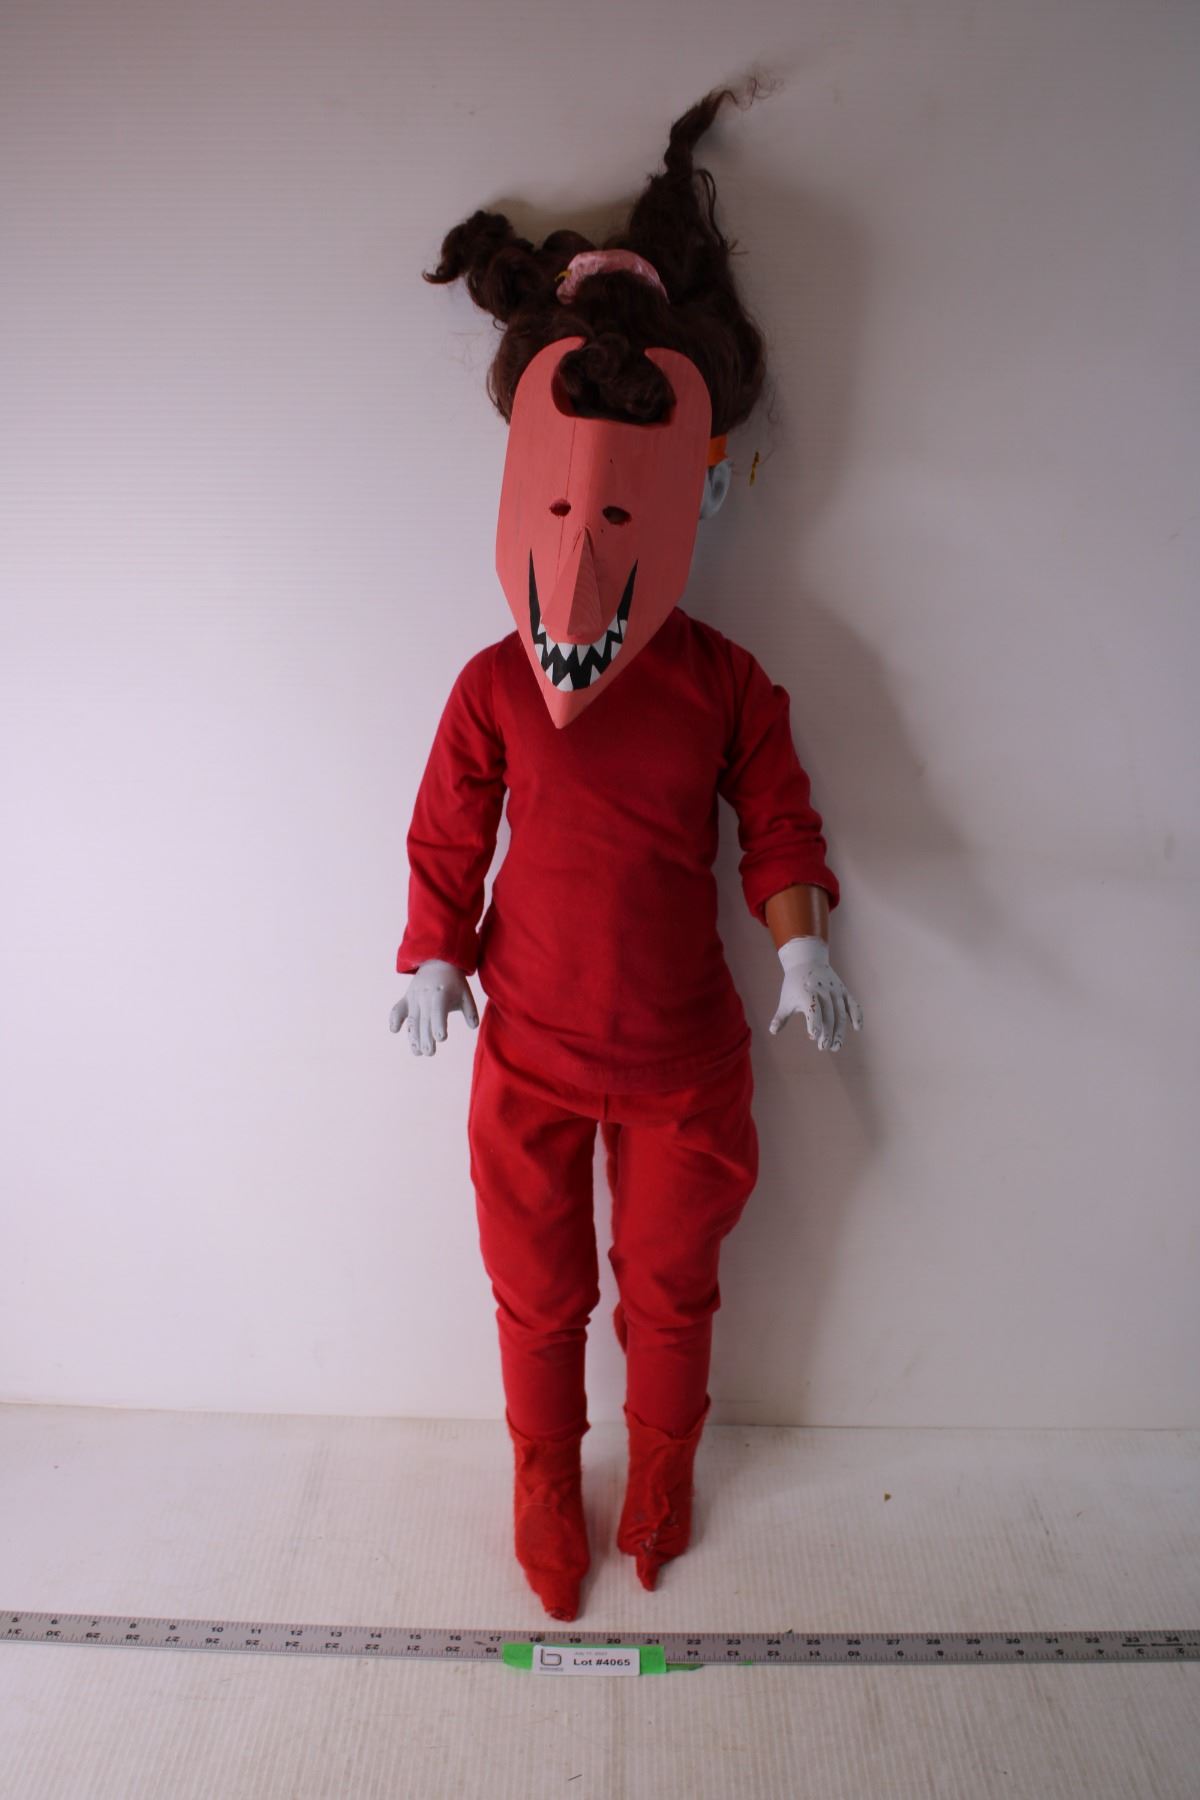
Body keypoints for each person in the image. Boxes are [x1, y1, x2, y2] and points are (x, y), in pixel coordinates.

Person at [390, 85, 862, 1622]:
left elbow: (779, 816)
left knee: (672, 1284)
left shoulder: (726, 684)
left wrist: (802, 940)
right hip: (527, 1051)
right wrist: (433, 952)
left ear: (703, 485)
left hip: (679, 1063)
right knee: (536, 1287)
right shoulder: (492, 684)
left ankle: (662, 1464)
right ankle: (544, 1471)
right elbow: (450, 824)